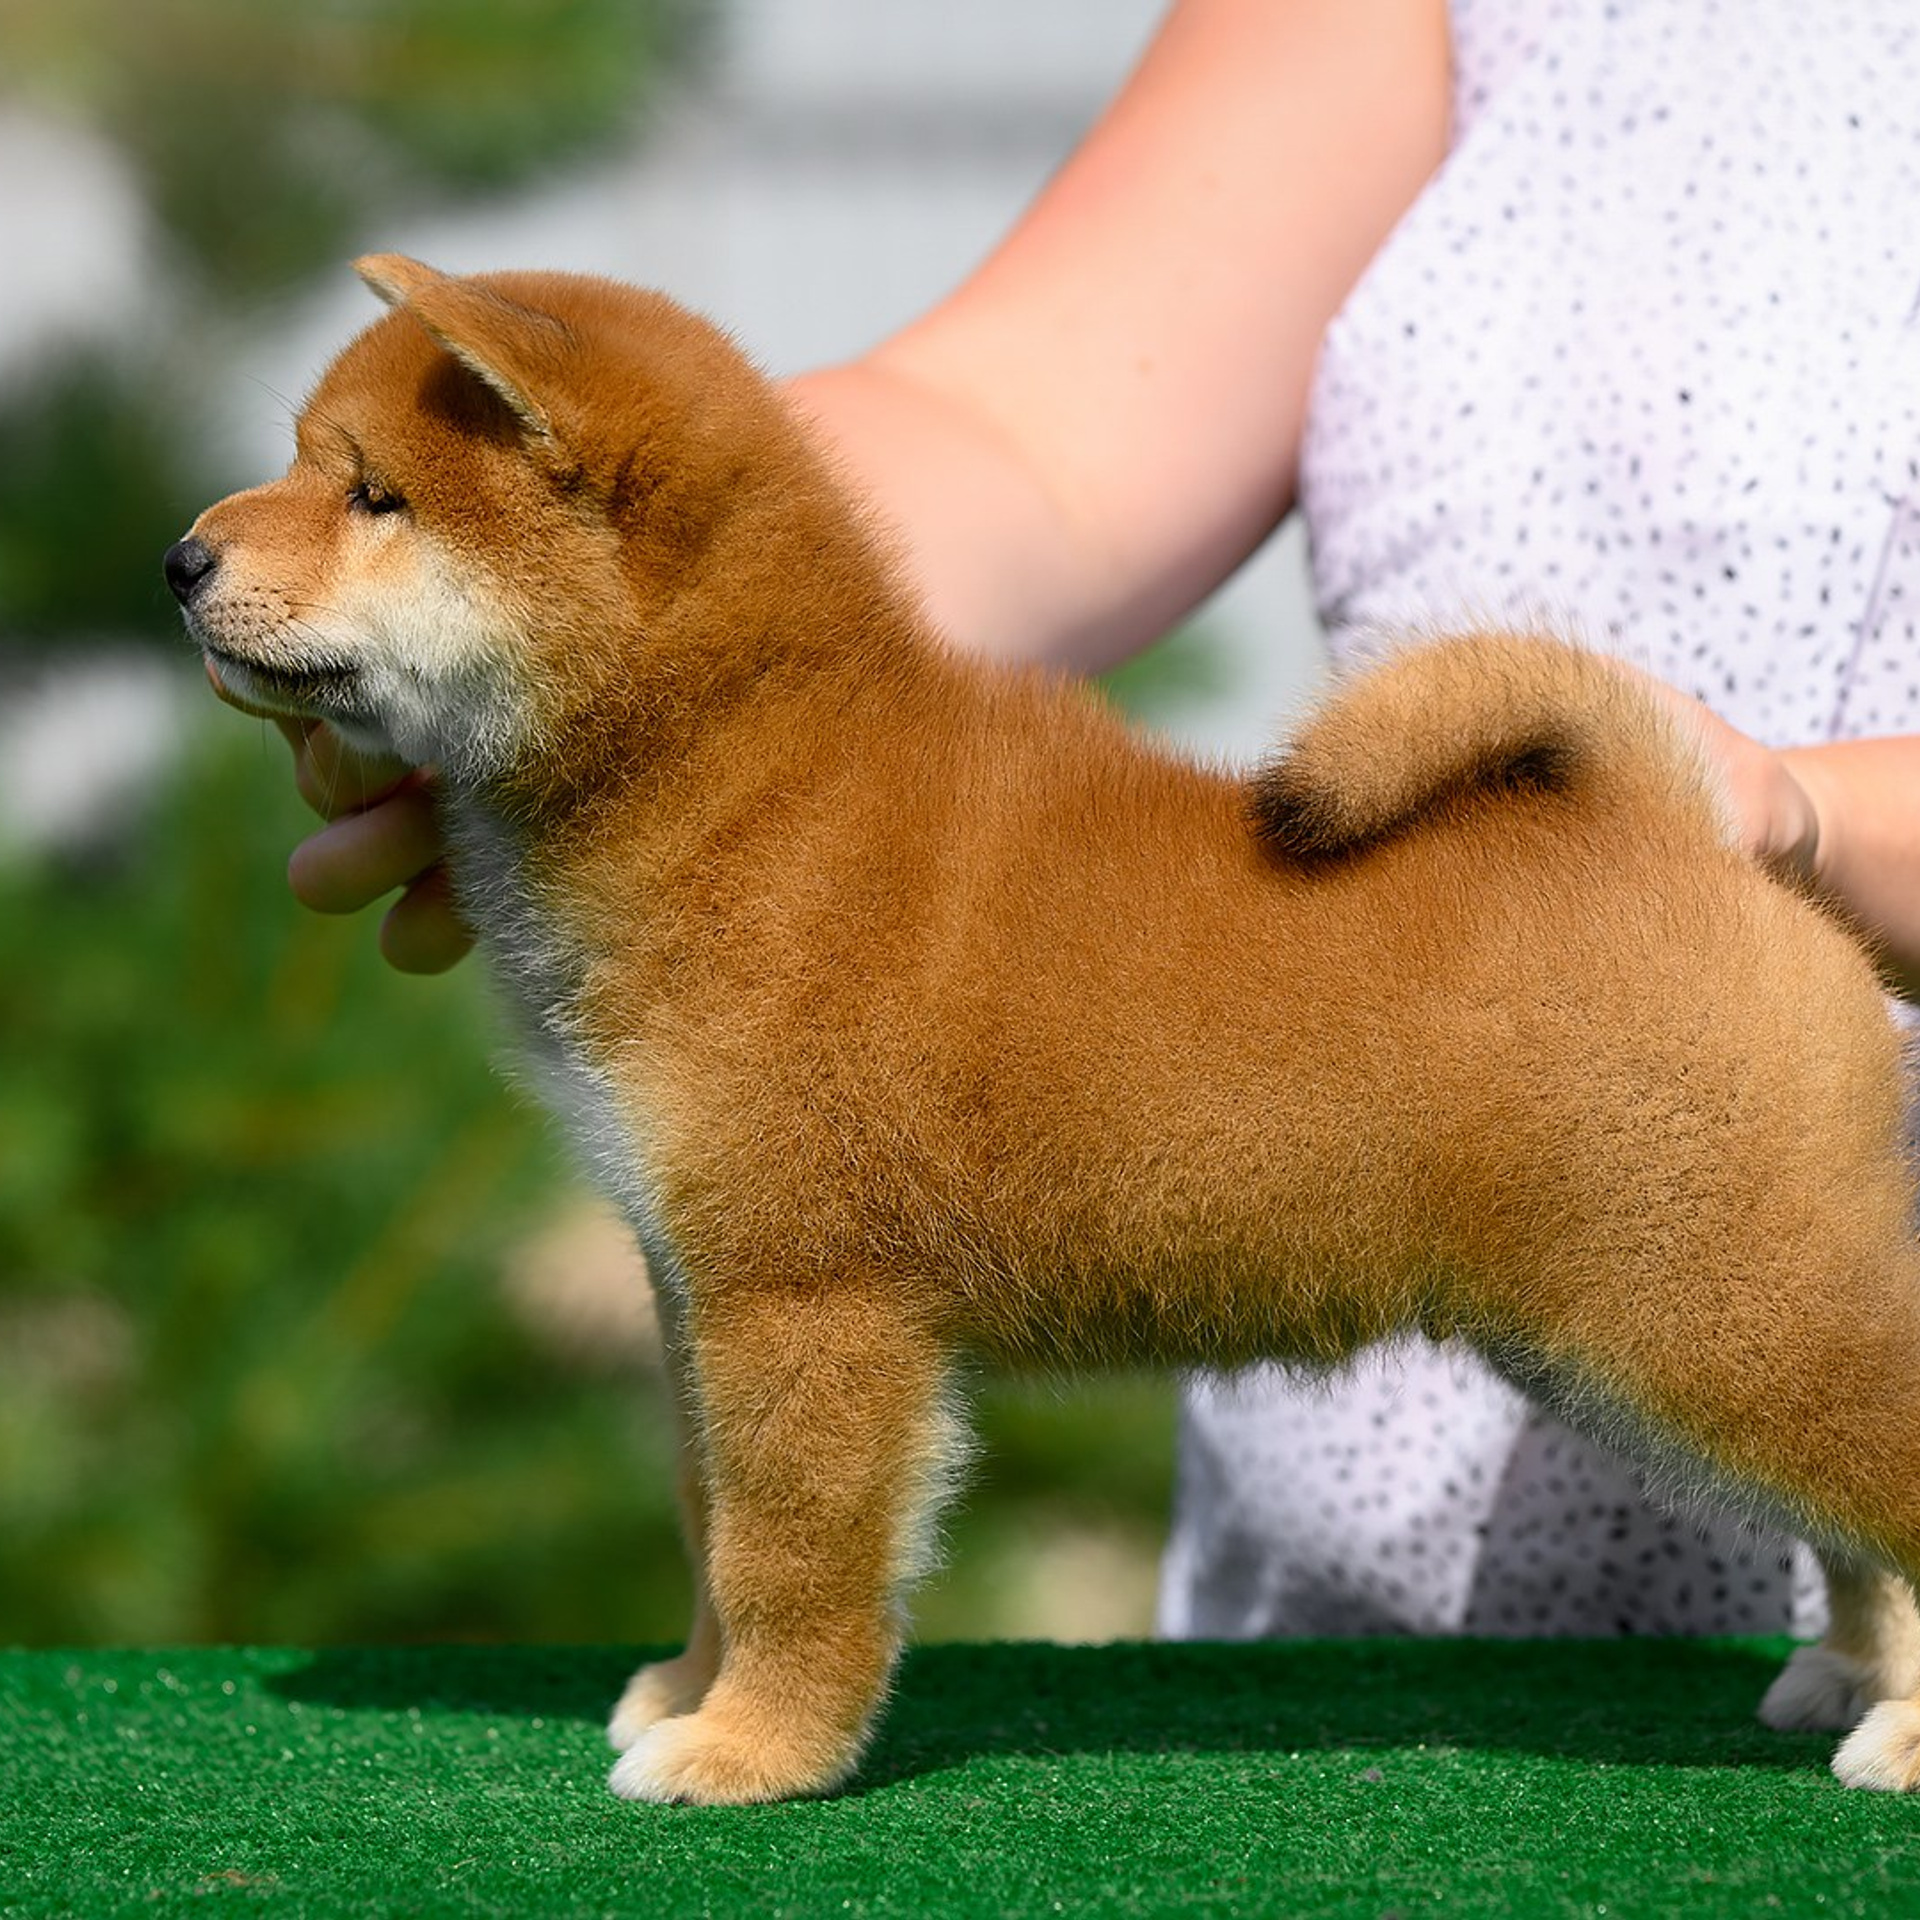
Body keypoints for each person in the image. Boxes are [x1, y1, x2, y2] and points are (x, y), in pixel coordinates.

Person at [274, 0, 1920, 1638]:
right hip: (1347, 1617)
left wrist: (1805, 820)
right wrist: (678, 590)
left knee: (1777, 1346)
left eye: (371, 504)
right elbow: (1030, 442)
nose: (241, 531)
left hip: (1620, 985)